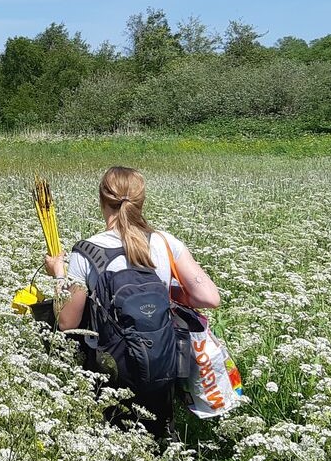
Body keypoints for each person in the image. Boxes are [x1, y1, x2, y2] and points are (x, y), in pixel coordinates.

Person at [44, 165, 220, 441]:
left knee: (114, 433)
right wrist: (165, 294)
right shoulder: (165, 242)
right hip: (164, 359)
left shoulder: (86, 251)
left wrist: (58, 273)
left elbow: (67, 322)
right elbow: (209, 297)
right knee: (160, 432)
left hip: (112, 367)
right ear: (141, 201)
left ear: (102, 200)